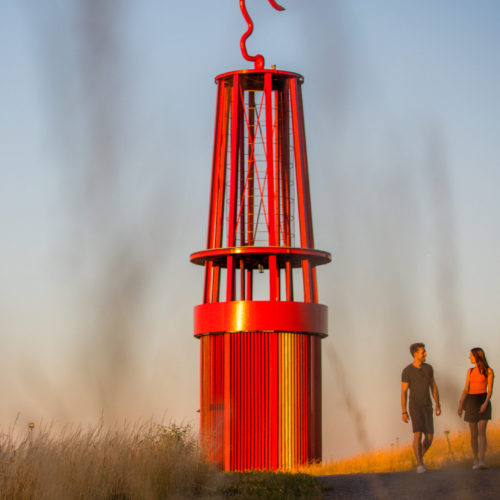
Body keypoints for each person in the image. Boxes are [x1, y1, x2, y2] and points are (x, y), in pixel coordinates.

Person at [401, 342, 441, 473]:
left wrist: (437, 404)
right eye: (423, 352)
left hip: (427, 406)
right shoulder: (407, 371)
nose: (425, 354)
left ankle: (419, 459)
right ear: (415, 354)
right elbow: (404, 392)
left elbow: (433, 386)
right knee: (417, 435)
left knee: (429, 438)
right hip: (414, 407)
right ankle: (420, 465)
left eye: (425, 351)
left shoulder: (429, 368)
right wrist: (404, 411)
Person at [457, 347, 494, 470]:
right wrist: (461, 405)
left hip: (483, 399)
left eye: (471, 356)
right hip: (471, 401)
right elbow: (466, 389)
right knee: (473, 433)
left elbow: (490, 390)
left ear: (477, 356)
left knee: (482, 430)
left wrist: (485, 403)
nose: (469, 357)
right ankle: (475, 459)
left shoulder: (489, 371)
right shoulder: (470, 371)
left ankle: (482, 460)